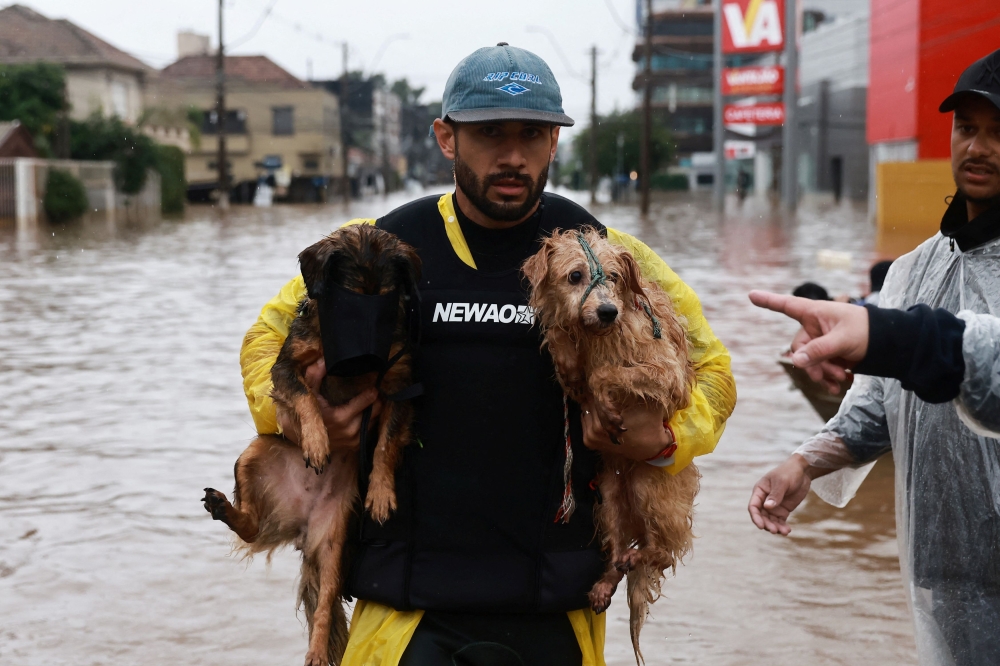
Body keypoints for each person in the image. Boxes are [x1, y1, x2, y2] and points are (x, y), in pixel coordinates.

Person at [240, 44, 736, 666]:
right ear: (446, 138)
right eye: (488, 133)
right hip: (403, 614)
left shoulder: (604, 256)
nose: (511, 155)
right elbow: (266, 339)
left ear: (554, 141)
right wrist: (298, 417)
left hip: (558, 610)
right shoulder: (380, 249)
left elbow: (714, 372)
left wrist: (662, 437)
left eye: (531, 133)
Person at [747, 49, 1000, 666]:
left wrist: (893, 338)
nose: (980, 147)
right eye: (967, 127)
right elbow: (878, 412)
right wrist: (804, 463)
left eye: (999, 133)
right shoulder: (912, 271)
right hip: (943, 574)